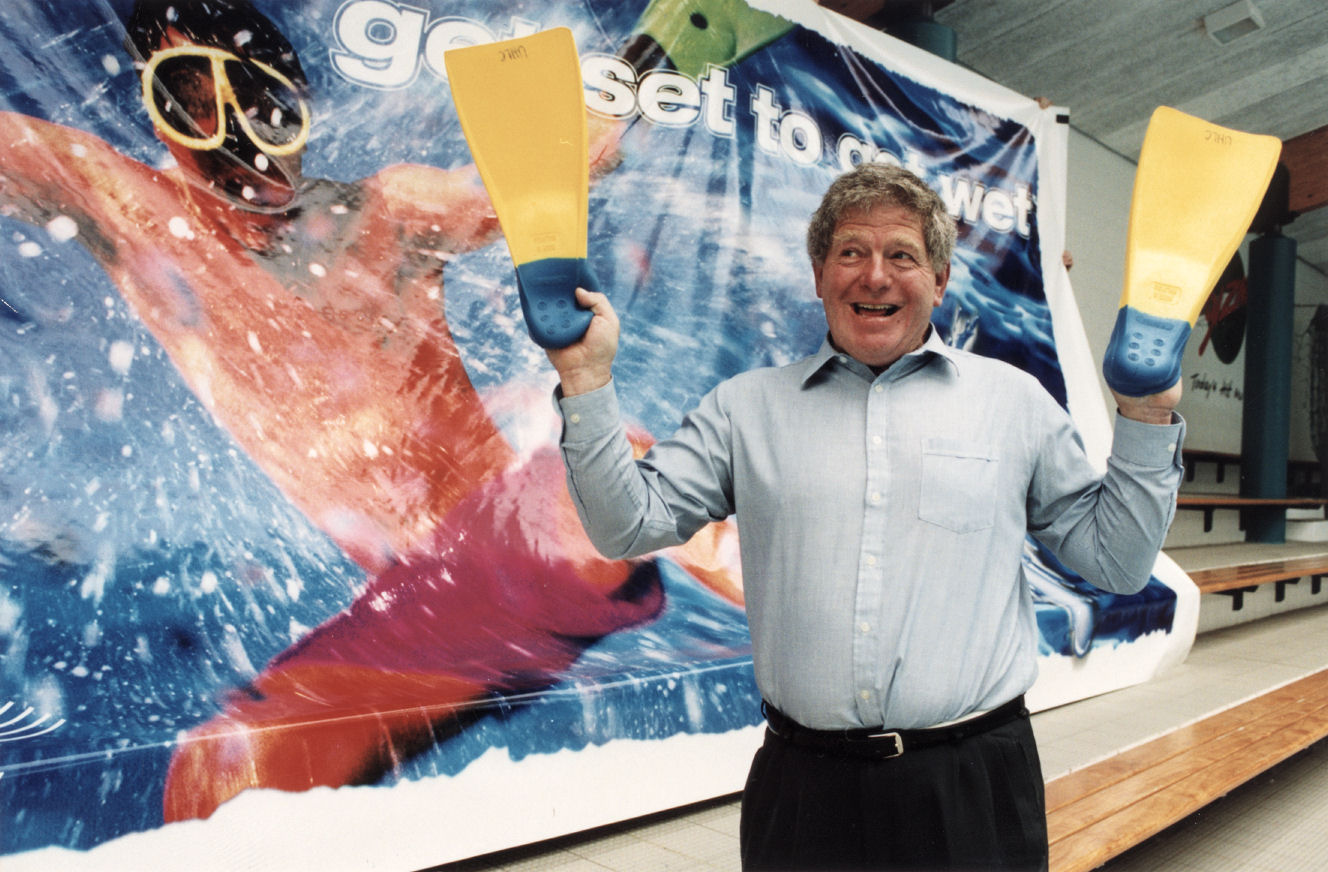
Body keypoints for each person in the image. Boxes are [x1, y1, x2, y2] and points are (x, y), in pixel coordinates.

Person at [0, 0, 740, 821]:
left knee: (570, 449)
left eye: (259, 100)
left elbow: (562, 166)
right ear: (157, 109)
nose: (236, 133)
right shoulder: (127, 206)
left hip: (533, 552)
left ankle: (820, 586)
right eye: (194, 101)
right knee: (212, 783)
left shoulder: (387, 212)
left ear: (295, 109)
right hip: (435, 616)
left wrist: (659, 47)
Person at [547, 162, 1184, 871]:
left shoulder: (1015, 404)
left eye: (902, 255)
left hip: (973, 786)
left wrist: (1148, 414)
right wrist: (584, 379)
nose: (874, 276)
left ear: (940, 281)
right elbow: (624, 527)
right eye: (851, 252)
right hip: (805, 791)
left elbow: (1118, 562)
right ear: (819, 274)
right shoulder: (745, 409)